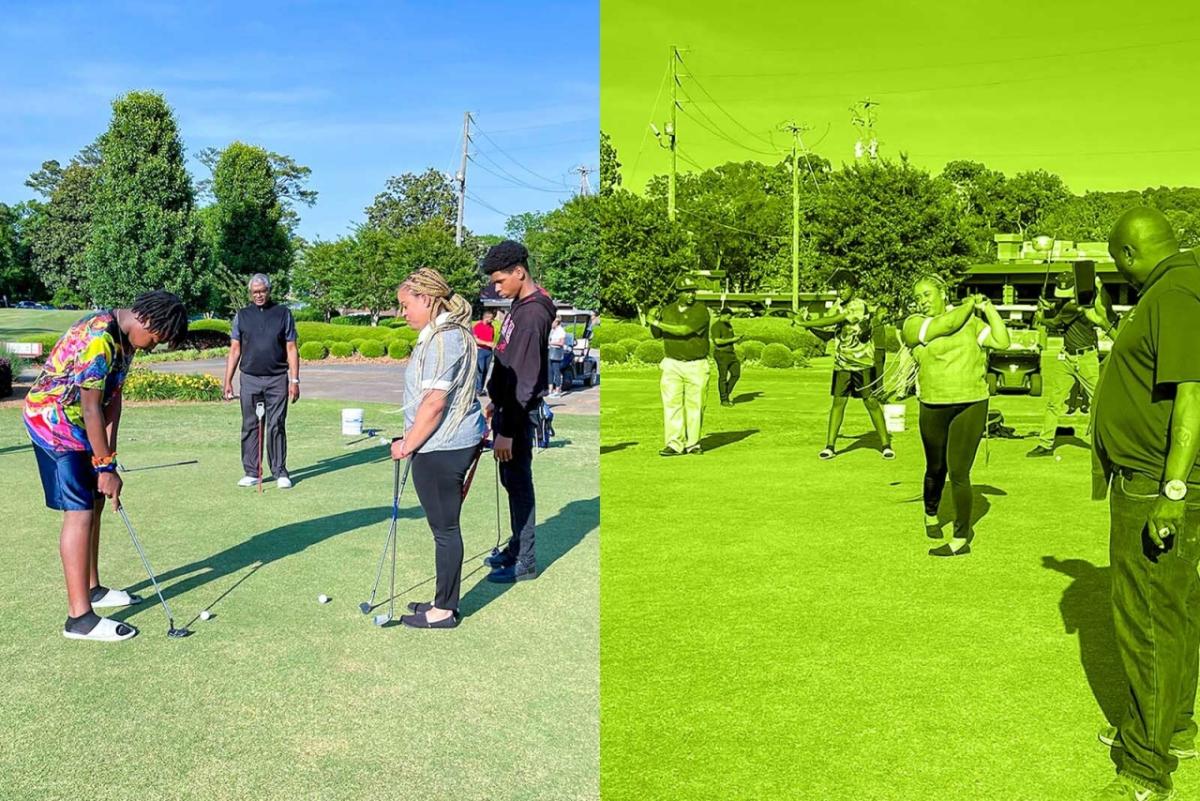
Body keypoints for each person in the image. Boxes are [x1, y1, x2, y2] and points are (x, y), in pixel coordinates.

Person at [1089, 207, 1200, 801]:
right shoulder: (1178, 288)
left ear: (1129, 254)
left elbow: (1193, 393)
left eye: (1117, 264)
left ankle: (1144, 769)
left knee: (1148, 623)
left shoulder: (1176, 294)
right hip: (1154, 480)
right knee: (1177, 612)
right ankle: (1171, 727)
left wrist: (1172, 492)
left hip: (1154, 484)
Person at [24, 291, 188, 642]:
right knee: (80, 510)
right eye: (157, 338)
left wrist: (108, 464)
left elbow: (112, 403)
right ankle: (79, 618)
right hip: (52, 421)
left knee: (95, 500)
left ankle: (92, 587)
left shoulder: (126, 341)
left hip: (80, 423)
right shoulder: (100, 338)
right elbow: (90, 408)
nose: (154, 346)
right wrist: (103, 466)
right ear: (146, 321)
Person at [389, 268, 487, 629]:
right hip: (441, 444)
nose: (403, 313)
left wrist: (407, 444)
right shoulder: (442, 335)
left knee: (445, 529)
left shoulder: (445, 339)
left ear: (427, 300)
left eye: (405, 305)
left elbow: (434, 404)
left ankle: (444, 610)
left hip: (442, 446)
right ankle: (441, 599)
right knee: (442, 527)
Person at [901, 278, 1010, 557]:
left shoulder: (971, 322)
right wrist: (969, 304)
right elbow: (946, 325)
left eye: (927, 294)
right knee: (936, 468)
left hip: (972, 401)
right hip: (934, 403)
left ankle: (960, 538)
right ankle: (931, 511)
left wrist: (987, 309)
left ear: (943, 293)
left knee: (959, 472)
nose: (922, 300)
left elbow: (1002, 341)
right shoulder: (913, 324)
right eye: (918, 296)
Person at [479, 241, 555, 583]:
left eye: (499, 281)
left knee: (520, 484)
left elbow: (524, 380)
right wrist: (495, 398)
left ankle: (524, 563)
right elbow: (508, 362)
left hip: (518, 416)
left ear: (519, 272)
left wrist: (507, 430)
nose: (497, 288)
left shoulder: (533, 313)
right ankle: (515, 546)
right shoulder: (519, 305)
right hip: (507, 408)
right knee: (510, 481)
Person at [795, 281, 894, 460]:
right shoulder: (836, 306)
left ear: (853, 289)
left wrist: (803, 322)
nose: (841, 291)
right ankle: (830, 446)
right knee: (838, 404)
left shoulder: (858, 305)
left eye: (845, 288)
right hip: (841, 365)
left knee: (871, 402)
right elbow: (828, 333)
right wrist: (809, 326)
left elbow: (836, 319)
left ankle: (886, 444)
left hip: (863, 363)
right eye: (839, 288)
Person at [222, 274, 300, 489]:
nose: (259, 295)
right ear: (250, 293)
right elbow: (235, 349)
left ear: (269, 290)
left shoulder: (283, 314)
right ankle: (252, 471)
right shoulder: (242, 315)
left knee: (276, 425)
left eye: (262, 291)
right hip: (249, 378)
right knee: (250, 425)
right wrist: (227, 380)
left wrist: (294, 380)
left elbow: (291, 348)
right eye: (255, 292)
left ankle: (279, 471)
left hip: (277, 379)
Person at [1028, 270, 1112, 457]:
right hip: (1067, 357)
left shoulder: (1076, 305)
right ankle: (1046, 442)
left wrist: (1041, 317)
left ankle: (1110, 444)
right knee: (1054, 402)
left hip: (1086, 359)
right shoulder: (1069, 302)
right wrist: (1048, 305)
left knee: (1099, 402)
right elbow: (1059, 310)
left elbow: (1056, 322)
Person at [649, 276, 711, 456]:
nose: (691, 295)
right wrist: (652, 318)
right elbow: (657, 334)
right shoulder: (667, 310)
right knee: (672, 405)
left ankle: (693, 443)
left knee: (696, 405)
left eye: (693, 291)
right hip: (672, 363)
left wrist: (655, 321)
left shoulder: (701, 311)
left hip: (696, 364)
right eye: (687, 291)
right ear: (679, 293)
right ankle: (675, 444)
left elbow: (684, 330)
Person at [710, 307, 742, 407]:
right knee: (723, 377)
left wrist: (736, 339)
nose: (729, 319)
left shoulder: (728, 325)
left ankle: (726, 392)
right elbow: (717, 341)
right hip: (721, 354)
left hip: (731, 353)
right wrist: (732, 340)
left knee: (736, 374)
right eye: (728, 317)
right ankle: (724, 400)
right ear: (723, 315)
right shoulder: (716, 326)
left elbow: (729, 337)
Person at [473, 309, 497, 396]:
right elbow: (475, 339)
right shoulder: (477, 326)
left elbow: (491, 338)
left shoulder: (492, 327)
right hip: (480, 351)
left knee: (486, 371)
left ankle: (481, 389)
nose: (492, 320)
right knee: (480, 370)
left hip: (489, 351)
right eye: (491, 318)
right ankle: (477, 389)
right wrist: (487, 343)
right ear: (486, 318)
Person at [548, 316, 567, 397]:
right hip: (550, 350)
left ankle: (558, 389)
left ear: (556, 322)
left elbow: (562, 343)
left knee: (556, 371)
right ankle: (550, 389)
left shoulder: (561, 331)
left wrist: (552, 343)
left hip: (556, 352)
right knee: (549, 371)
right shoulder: (552, 330)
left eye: (552, 322)